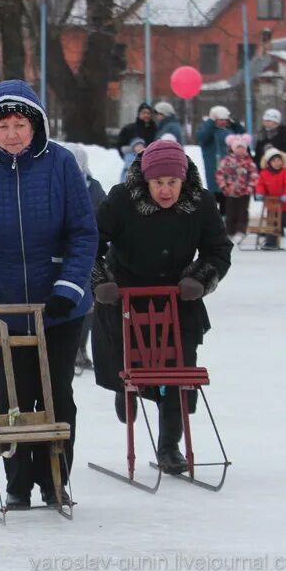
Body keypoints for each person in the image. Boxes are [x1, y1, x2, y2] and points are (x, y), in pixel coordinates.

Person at [0, 79, 98, 509]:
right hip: (2, 302)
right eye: (4, 126)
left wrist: (69, 288)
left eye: (20, 124)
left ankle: (54, 480)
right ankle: (17, 483)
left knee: (57, 393)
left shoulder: (62, 164)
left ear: (35, 126)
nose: (12, 133)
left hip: (59, 304)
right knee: (13, 395)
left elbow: (84, 232)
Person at [91, 139, 232, 475]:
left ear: (184, 180)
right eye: (158, 183)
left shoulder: (201, 202)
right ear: (145, 180)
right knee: (128, 363)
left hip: (177, 296)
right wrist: (101, 283)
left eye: (173, 183)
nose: (166, 191)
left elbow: (218, 249)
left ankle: (170, 446)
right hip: (125, 295)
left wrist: (199, 278)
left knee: (178, 371)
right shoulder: (123, 198)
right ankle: (123, 388)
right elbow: (89, 241)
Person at [62, 142, 106, 371]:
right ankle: (67, 349)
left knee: (87, 305)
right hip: (62, 256)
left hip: (88, 255)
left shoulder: (94, 188)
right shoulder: (55, 185)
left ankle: (81, 348)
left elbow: (106, 219)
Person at [196, 105, 245, 212]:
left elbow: (243, 135)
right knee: (215, 192)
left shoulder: (231, 130)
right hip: (213, 166)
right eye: (219, 119)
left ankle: (225, 216)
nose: (222, 122)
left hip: (230, 168)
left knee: (227, 194)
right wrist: (210, 122)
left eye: (224, 120)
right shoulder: (208, 129)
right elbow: (201, 137)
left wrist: (234, 122)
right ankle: (214, 217)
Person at [256, 148, 286, 248]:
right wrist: (260, 193)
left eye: (279, 160)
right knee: (272, 223)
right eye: (274, 161)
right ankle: (270, 243)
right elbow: (260, 185)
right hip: (272, 203)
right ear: (269, 163)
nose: (277, 163)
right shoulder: (264, 173)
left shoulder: (285, 172)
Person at [215, 134, 258, 239]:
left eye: (242, 148)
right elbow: (220, 174)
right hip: (230, 192)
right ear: (233, 149)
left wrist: (249, 187)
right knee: (230, 212)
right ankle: (230, 231)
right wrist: (224, 186)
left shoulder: (249, 162)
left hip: (244, 193)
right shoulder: (226, 161)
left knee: (242, 212)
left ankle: (241, 230)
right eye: (238, 148)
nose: (240, 151)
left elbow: (254, 176)